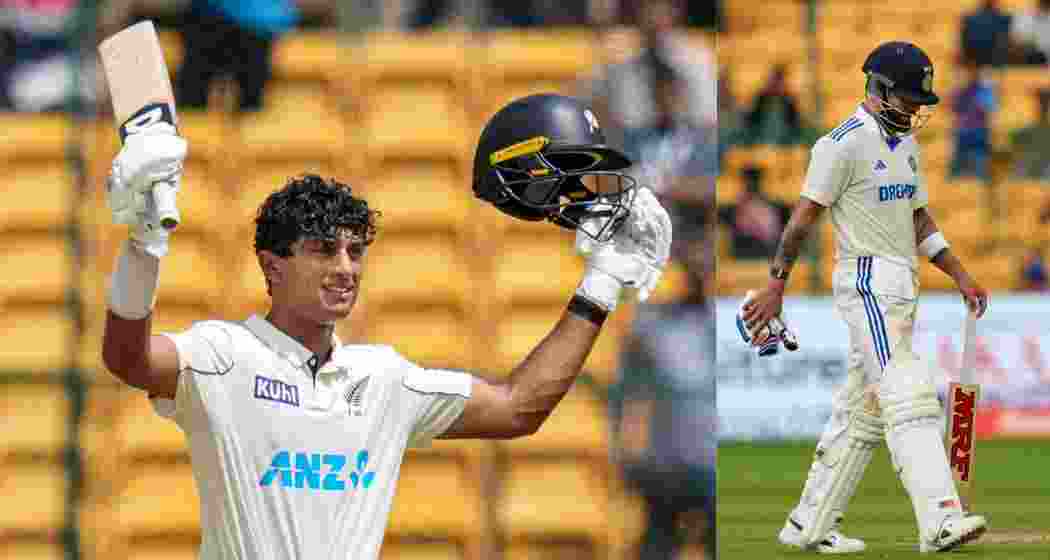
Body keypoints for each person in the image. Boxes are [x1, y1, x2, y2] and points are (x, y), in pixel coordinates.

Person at [100, 93, 672, 559]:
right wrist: (145, 246)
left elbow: (519, 407)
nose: (345, 268)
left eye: (354, 252)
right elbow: (128, 359)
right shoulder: (225, 355)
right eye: (324, 251)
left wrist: (600, 284)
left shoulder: (383, 379)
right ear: (273, 266)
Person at [740, 42, 990, 554]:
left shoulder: (908, 148)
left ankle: (807, 525)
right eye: (907, 98)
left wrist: (960, 274)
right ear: (877, 90)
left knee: (864, 411)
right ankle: (941, 519)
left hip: (904, 286)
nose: (916, 109)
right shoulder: (840, 144)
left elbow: (918, 219)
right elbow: (802, 219)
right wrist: (777, 283)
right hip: (868, 283)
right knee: (908, 393)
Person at [609, 233, 717, 560]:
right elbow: (628, 391)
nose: (700, 273)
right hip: (668, 464)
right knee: (657, 545)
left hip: (715, 464)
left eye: (707, 267)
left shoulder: (732, 323)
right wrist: (625, 450)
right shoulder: (656, 326)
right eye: (695, 266)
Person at [718, 165, 792, 260]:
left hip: (768, 258)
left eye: (755, 183)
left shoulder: (778, 208)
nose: (752, 186)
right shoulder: (732, 210)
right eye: (749, 183)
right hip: (741, 259)